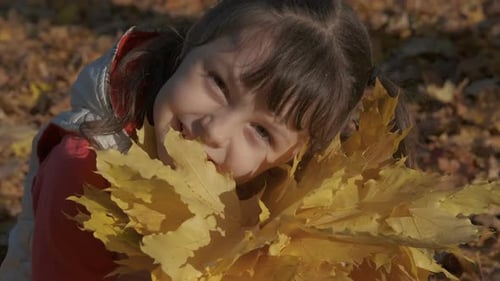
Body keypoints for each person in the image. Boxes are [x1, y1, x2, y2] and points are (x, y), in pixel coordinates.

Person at [0, 0, 414, 280]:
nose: (214, 129)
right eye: (218, 82)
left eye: (261, 131)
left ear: (296, 157)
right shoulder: (83, 168)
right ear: (190, 47)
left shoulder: (293, 201)